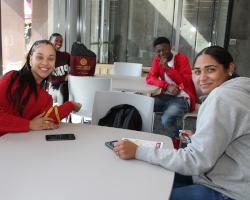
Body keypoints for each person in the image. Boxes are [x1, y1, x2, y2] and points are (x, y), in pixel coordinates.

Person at [114, 46, 250, 200]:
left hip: (229, 190)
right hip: (227, 175)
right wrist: (199, 139)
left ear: (230, 68)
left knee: (148, 191)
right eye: (198, 72)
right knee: (153, 177)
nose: (202, 78)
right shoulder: (239, 90)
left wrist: (138, 151)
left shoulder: (222, 97)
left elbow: (195, 161)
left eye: (210, 70)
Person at [0, 40, 81, 136]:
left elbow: (46, 120)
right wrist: (29, 124)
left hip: (20, 145)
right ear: (30, 59)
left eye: (51, 59)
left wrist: (70, 105)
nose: (45, 63)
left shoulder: (46, 98)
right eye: (39, 57)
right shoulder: (12, 78)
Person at [146, 37, 197, 138]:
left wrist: (168, 69)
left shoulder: (182, 58)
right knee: (143, 105)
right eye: (158, 51)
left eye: (164, 49)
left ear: (170, 47)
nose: (162, 53)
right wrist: (166, 86)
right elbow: (150, 78)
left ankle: (182, 139)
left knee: (167, 119)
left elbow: (185, 81)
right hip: (165, 96)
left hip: (182, 98)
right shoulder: (157, 60)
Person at [49, 33, 70, 104]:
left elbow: (74, 65)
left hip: (65, 88)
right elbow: (48, 78)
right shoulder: (47, 58)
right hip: (52, 88)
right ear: (50, 42)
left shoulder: (66, 55)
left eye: (61, 41)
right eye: (56, 40)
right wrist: (63, 78)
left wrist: (70, 74)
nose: (59, 43)